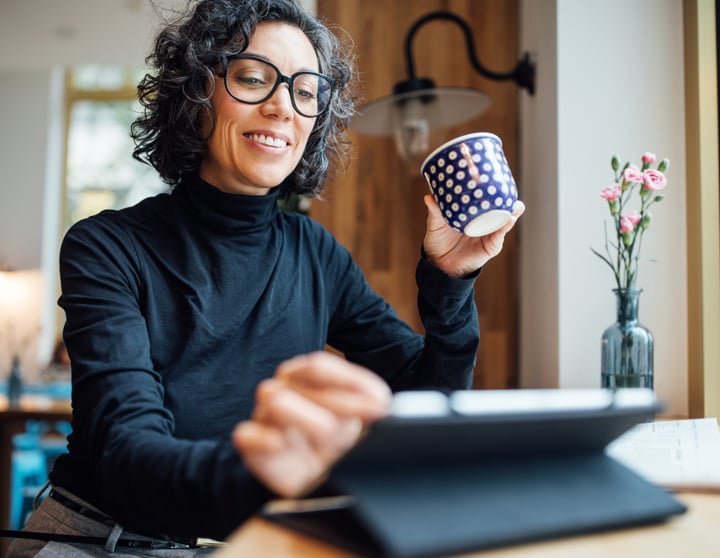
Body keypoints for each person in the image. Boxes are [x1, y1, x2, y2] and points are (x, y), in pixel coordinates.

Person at [8, 0, 523, 555]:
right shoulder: (107, 245)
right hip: (100, 538)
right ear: (197, 95)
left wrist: (451, 281)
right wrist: (277, 475)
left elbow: (429, 398)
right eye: (253, 78)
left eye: (305, 92)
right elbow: (127, 452)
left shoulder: (316, 253)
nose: (283, 106)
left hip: (248, 539)